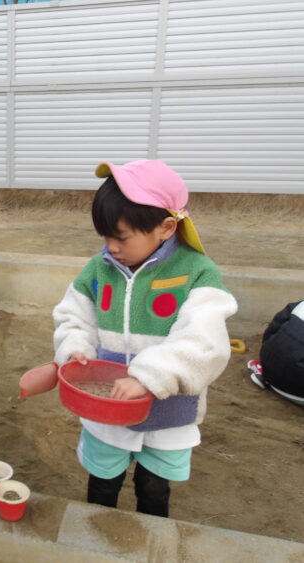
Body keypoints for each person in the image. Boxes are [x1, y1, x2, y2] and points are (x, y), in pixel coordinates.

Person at [53, 160, 237, 517]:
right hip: (107, 405)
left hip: (168, 410)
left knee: (154, 488)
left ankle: (150, 534)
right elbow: (73, 315)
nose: (110, 247)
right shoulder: (100, 268)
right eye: (105, 236)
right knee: (102, 481)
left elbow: (204, 344)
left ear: (166, 227)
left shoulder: (198, 273)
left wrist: (147, 377)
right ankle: (97, 529)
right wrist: (75, 348)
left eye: (121, 237)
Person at [248, 301, 304, 405]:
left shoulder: (300, 305)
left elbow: (274, 327)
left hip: (268, 368)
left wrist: (267, 353)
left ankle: (263, 372)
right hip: (299, 393)